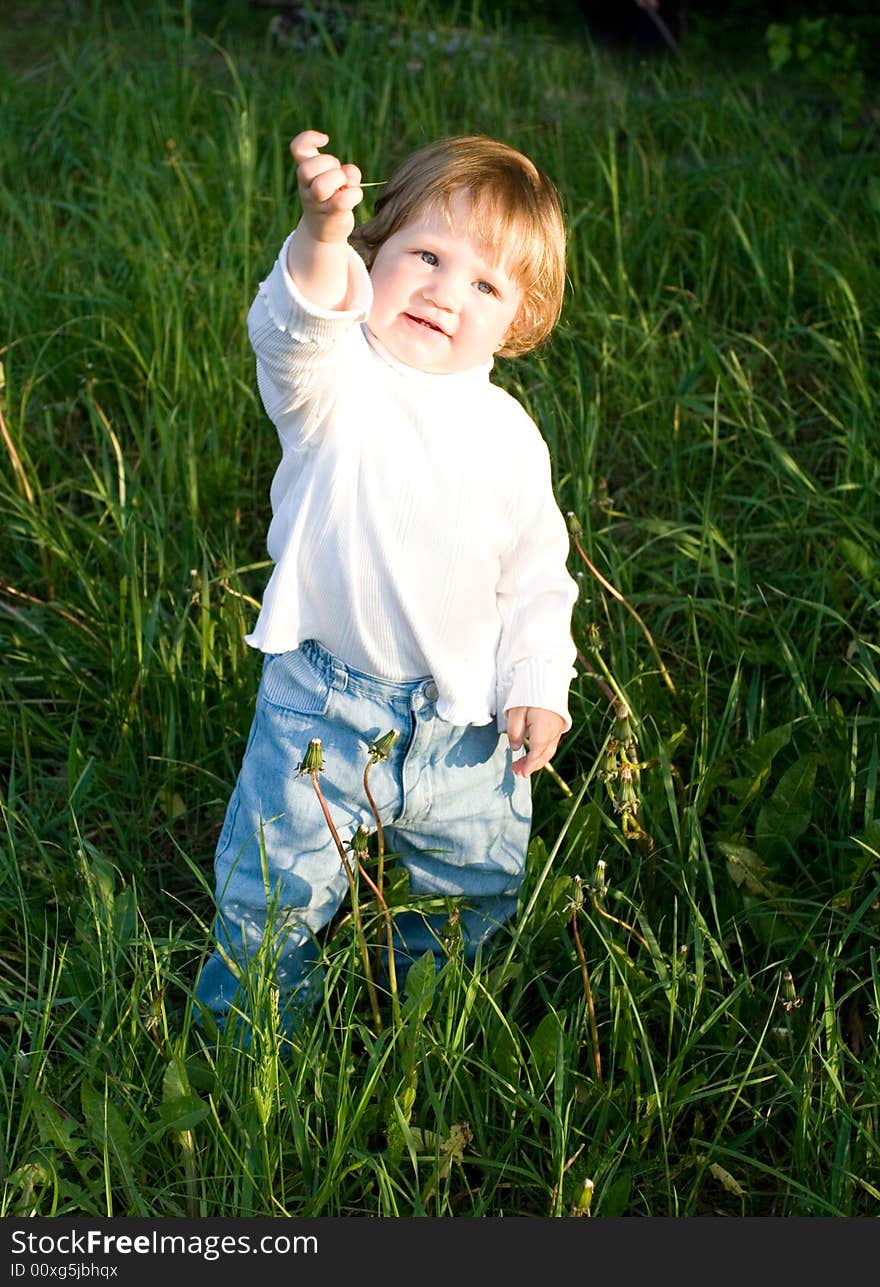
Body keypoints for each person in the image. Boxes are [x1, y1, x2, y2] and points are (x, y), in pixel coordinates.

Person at [195, 128, 578, 1031]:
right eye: (427, 255)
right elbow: (293, 332)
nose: (447, 293)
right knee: (271, 890)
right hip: (322, 707)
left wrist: (537, 685)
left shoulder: (511, 437)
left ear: (517, 320)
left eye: (485, 283)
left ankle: (433, 1033)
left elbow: (536, 578)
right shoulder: (337, 384)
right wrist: (322, 234)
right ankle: (248, 1051)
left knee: (472, 892)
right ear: (378, 256)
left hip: (465, 725)